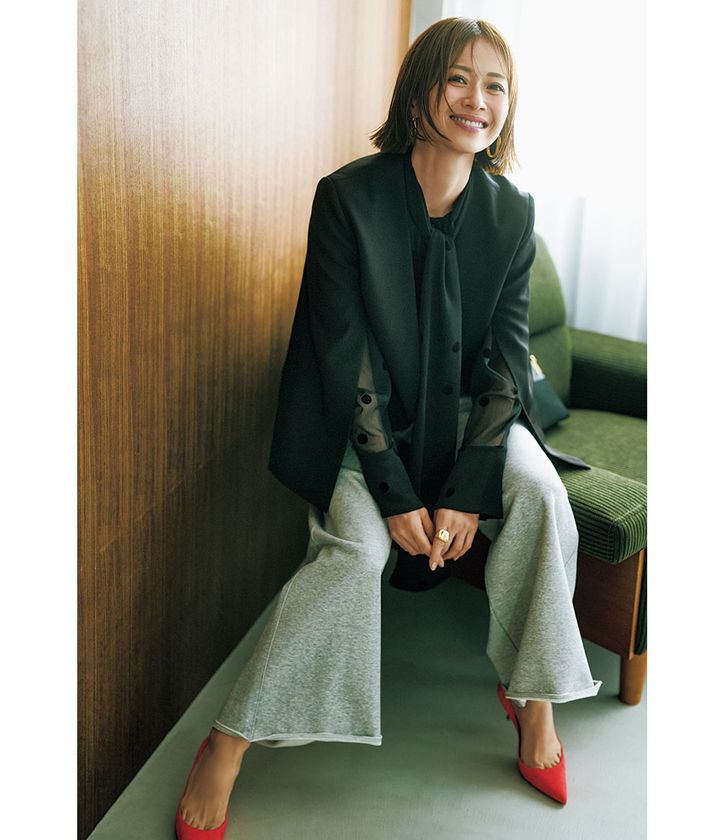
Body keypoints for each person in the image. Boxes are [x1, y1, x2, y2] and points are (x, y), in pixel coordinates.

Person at [175, 17, 602, 837]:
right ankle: (228, 741)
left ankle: (535, 700)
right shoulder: (347, 198)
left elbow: (505, 364)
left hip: (474, 419)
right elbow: (348, 361)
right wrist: (398, 492)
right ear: (418, 94)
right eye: (458, 79)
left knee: (543, 497)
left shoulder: (513, 214)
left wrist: (469, 489)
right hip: (361, 423)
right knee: (358, 551)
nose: (477, 99)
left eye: (496, 85)